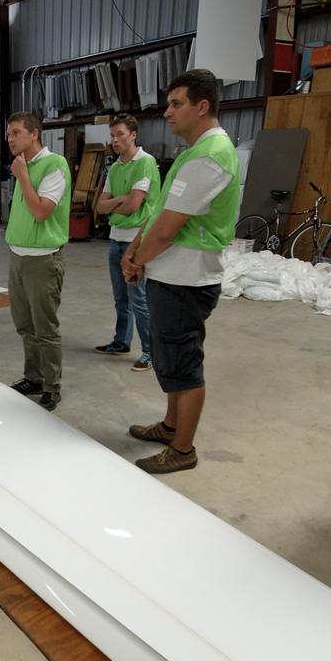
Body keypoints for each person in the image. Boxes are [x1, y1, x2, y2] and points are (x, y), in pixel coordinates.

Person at [121, 70, 240, 474]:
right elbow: (158, 214)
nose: (167, 112)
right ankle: (171, 425)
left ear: (202, 106)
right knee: (171, 358)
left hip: (188, 279)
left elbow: (169, 229)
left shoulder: (210, 155)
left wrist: (137, 260)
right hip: (171, 276)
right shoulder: (193, 153)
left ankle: (183, 449)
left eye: (176, 104)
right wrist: (136, 249)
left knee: (184, 365)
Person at [4, 111, 72, 411]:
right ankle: (33, 377)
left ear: (34, 134)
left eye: (16, 132)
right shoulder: (25, 165)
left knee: (45, 328)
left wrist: (22, 176)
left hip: (42, 260)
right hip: (18, 256)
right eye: (8, 134)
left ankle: (51, 385)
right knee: (24, 325)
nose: (10, 138)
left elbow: (42, 211)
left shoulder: (54, 165)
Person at [93, 113, 161, 372]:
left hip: (137, 240)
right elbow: (99, 206)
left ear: (133, 134)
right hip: (116, 238)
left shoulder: (145, 163)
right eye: (112, 135)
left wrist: (118, 202)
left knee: (139, 299)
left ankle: (150, 351)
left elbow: (134, 205)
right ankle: (121, 341)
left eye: (120, 134)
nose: (115, 140)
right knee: (120, 298)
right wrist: (119, 201)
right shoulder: (116, 167)